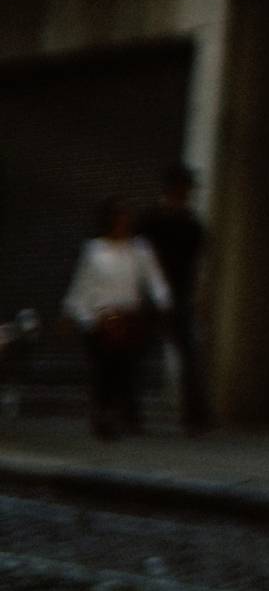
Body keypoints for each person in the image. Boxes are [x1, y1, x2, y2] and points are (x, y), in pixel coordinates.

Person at [62, 196, 171, 440]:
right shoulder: (94, 250)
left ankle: (127, 414)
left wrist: (164, 304)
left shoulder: (139, 251)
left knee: (126, 367)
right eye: (119, 219)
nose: (124, 224)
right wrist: (75, 312)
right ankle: (103, 415)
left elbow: (155, 280)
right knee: (103, 368)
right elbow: (82, 285)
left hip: (128, 317)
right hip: (101, 317)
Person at [138, 167, 210, 434]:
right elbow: (137, 257)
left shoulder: (192, 224)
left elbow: (198, 264)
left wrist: (199, 294)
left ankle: (195, 416)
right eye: (183, 189)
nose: (186, 195)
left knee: (188, 353)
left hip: (179, 296)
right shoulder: (151, 220)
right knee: (139, 352)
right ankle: (129, 411)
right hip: (150, 296)